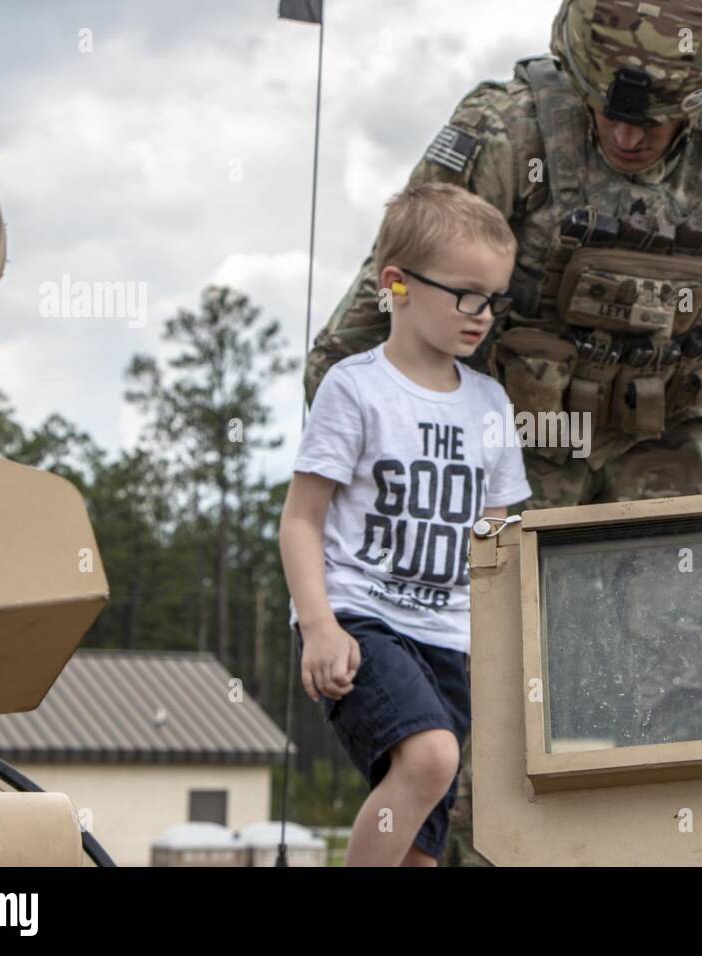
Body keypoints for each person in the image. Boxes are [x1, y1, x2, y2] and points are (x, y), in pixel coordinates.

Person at [304, 0, 702, 864]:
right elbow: (361, 338)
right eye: (609, 108)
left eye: (656, 119)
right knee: (482, 722)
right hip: (503, 450)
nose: (630, 135)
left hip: (665, 444)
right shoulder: (507, 134)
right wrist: (367, 525)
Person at [278, 182, 532, 866]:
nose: (482, 315)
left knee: (421, 844)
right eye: (465, 294)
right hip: (363, 621)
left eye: (494, 299)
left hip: (451, 641)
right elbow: (301, 520)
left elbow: (495, 545)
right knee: (430, 756)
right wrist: (320, 626)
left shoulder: (490, 405)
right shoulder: (355, 388)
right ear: (397, 284)